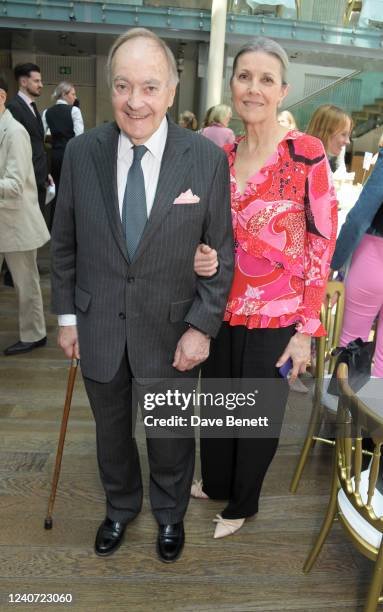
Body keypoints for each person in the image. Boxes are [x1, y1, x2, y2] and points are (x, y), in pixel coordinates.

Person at [51, 28, 233, 562]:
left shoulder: (204, 160)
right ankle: (120, 506)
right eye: (124, 86)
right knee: (111, 435)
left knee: (171, 437)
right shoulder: (82, 153)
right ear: (109, 89)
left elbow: (221, 253)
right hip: (99, 324)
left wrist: (202, 326)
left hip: (173, 330)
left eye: (150, 87)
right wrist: (66, 319)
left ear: (173, 92)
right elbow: (64, 244)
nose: (136, 101)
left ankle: (170, 514)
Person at [193, 37, 337, 538]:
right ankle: (215, 482)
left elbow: (322, 240)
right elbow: (213, 232)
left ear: (283, 91)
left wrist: (307, 328)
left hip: (279, 312)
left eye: (266, 79)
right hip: (221, 304)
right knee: (217, 400)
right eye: (244, 76)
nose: (253, 88)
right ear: (231, 83)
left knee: (255, 413)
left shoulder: (306, 154)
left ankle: (243, 504)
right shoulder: (223, 156)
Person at [0, 77, 50, 355]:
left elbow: (15, 185)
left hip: (17, 222)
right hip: (5, 221)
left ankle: (35, 334)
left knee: (25, 285)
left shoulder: (14, 132)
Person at [331, 145, 383, 377]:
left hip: (375, 254)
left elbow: (360, 216)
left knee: (352, 346)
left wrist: (333, 263)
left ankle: (340, 410)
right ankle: (372, 412)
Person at [7, 63, 51, 216]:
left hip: (39, 176)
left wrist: (46, 173)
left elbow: (37, 142)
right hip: (27, 179)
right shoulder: (14, 107)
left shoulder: (32, 106)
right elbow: (14, 147)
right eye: (37, 81)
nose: (41, 85)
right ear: (24, 82)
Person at [42, 81, 84, 229]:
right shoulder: (74, 111)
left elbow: (42, 135)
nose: (75, 97)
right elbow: (79, 138)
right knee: (73, 190)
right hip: (71, 155)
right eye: (73, 93)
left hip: (55, 155)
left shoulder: (47, 112)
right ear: (64, 94)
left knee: (57, 189)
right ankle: (72, 226)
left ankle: (55, 226)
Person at [306, 104, 352, 174]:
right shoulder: (303, 165)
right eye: (343, 134)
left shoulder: (319, 163)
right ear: (324, 132)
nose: (348, 141)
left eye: (348, 135)